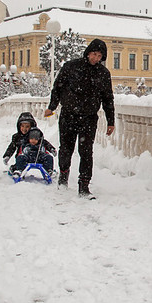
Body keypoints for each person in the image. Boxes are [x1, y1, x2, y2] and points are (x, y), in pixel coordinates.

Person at [44, 38, 115, 198]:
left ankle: (84, 186)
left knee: (86, 151)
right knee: (66, 148)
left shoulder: (103, 74)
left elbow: (108, 99)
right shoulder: (71, 67)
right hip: (68, 115)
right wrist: (52, 106)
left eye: (99, 56)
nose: (96, 58)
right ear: (88, 52)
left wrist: (111, 121)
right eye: (94, 54)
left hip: (89, 118)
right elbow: (58, 87)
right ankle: (63, 177)